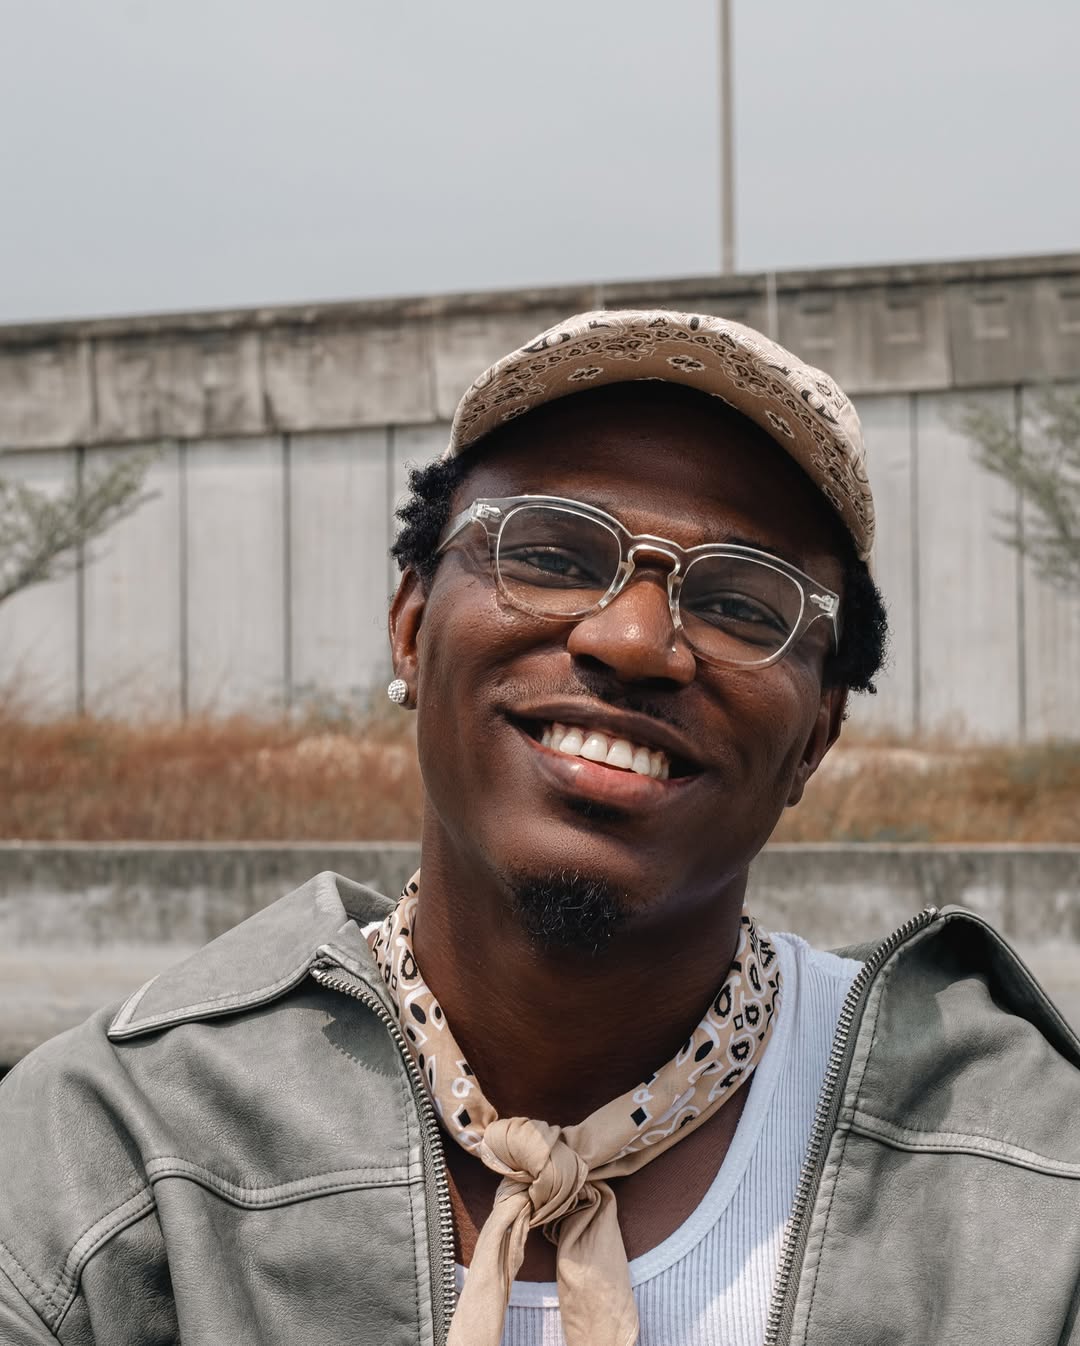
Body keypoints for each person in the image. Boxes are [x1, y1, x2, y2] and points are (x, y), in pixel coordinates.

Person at [1, 309, 1078, 1346]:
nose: (635, 639)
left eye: (742, 604)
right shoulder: (116, 1147)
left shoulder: (1027, 1175)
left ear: (817, 738)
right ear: (411, 627)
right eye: (554, 555)